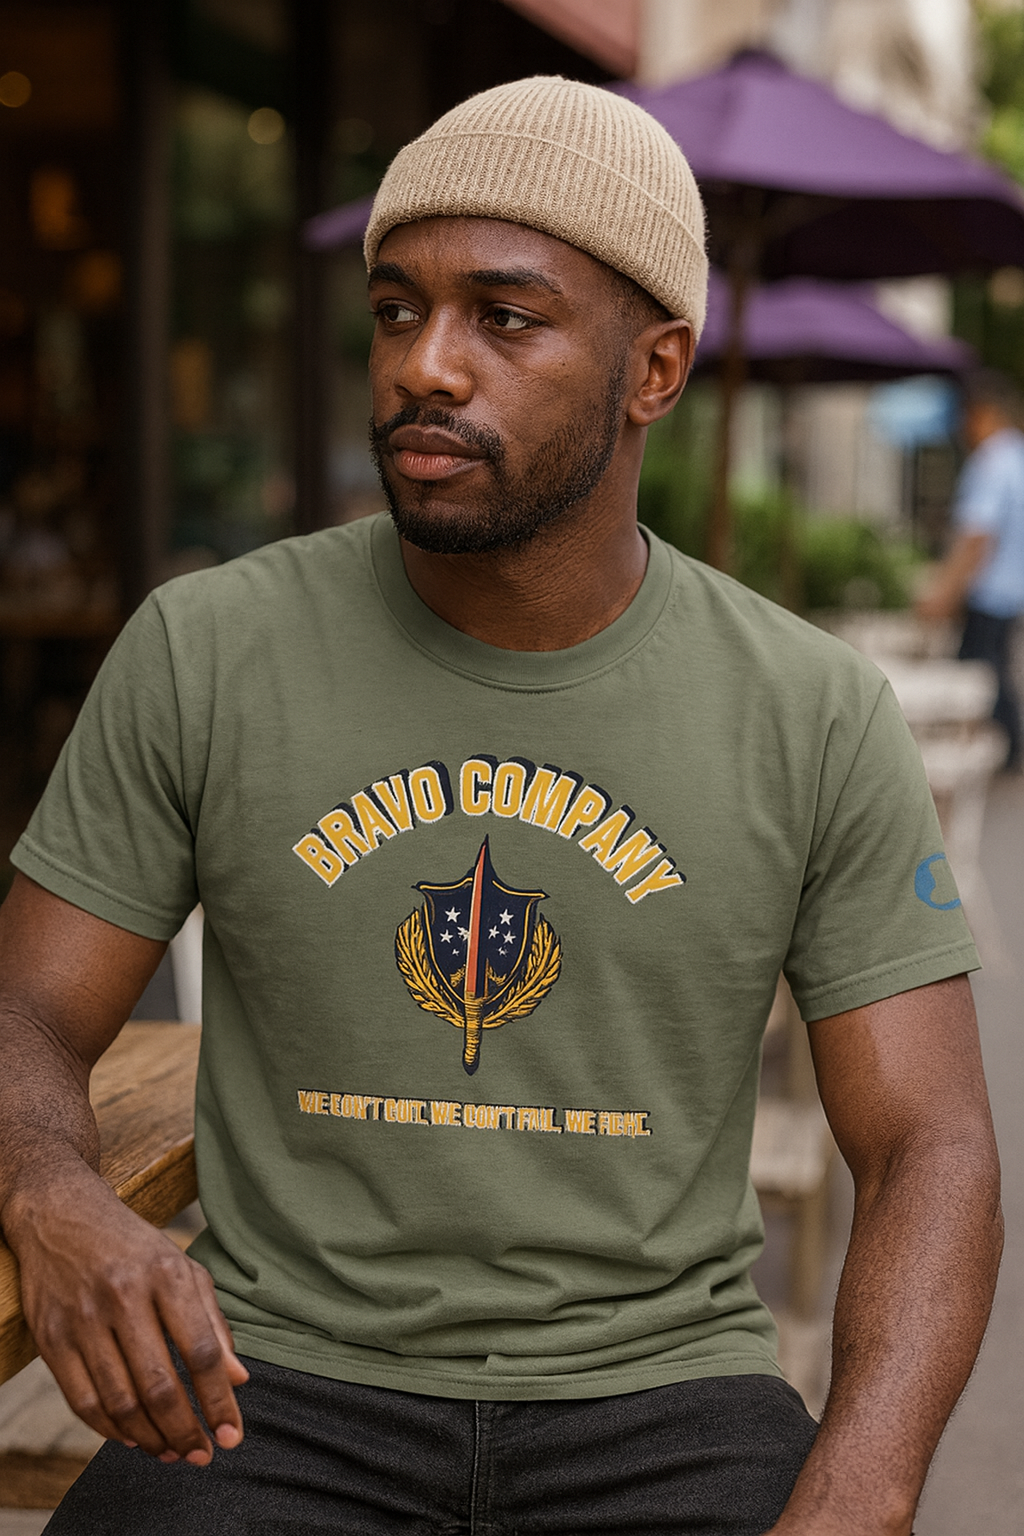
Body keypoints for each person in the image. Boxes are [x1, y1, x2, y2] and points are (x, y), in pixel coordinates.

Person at [0, 78, 1001, 1536]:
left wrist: (863, 1488)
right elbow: (29, 1009)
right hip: (269, 1382)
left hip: (664, 1396)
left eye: (506, 319)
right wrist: (54, 1194)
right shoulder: (208, 650)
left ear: (654, 370)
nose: (426, 365)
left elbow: (931, 1145)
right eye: (396, 311)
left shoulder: (811, 710)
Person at [917, 367, 1024, 769]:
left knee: (976, 677)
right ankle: (1006, 751)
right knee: (993, 672)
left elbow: (977, 537)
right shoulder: (1016, 456)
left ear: (982, 413)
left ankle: (993, 755)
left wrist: (944, 593)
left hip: (990, 590)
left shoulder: (992, 461)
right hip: (1012, 589)